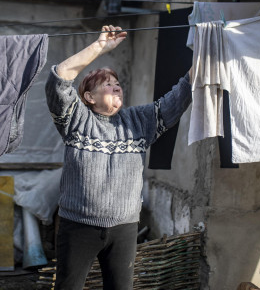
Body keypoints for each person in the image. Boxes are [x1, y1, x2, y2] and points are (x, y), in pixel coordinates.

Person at [45, 25, 192, 290]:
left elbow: (177, 99)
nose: (116, 88)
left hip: (124, 227)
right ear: (89, 97)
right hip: (79, 226)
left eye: (117, 84)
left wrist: (202, 61)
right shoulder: (76, 120)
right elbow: (60, 78)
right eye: (107, 85)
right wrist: (100, 47)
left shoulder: (139, 121)